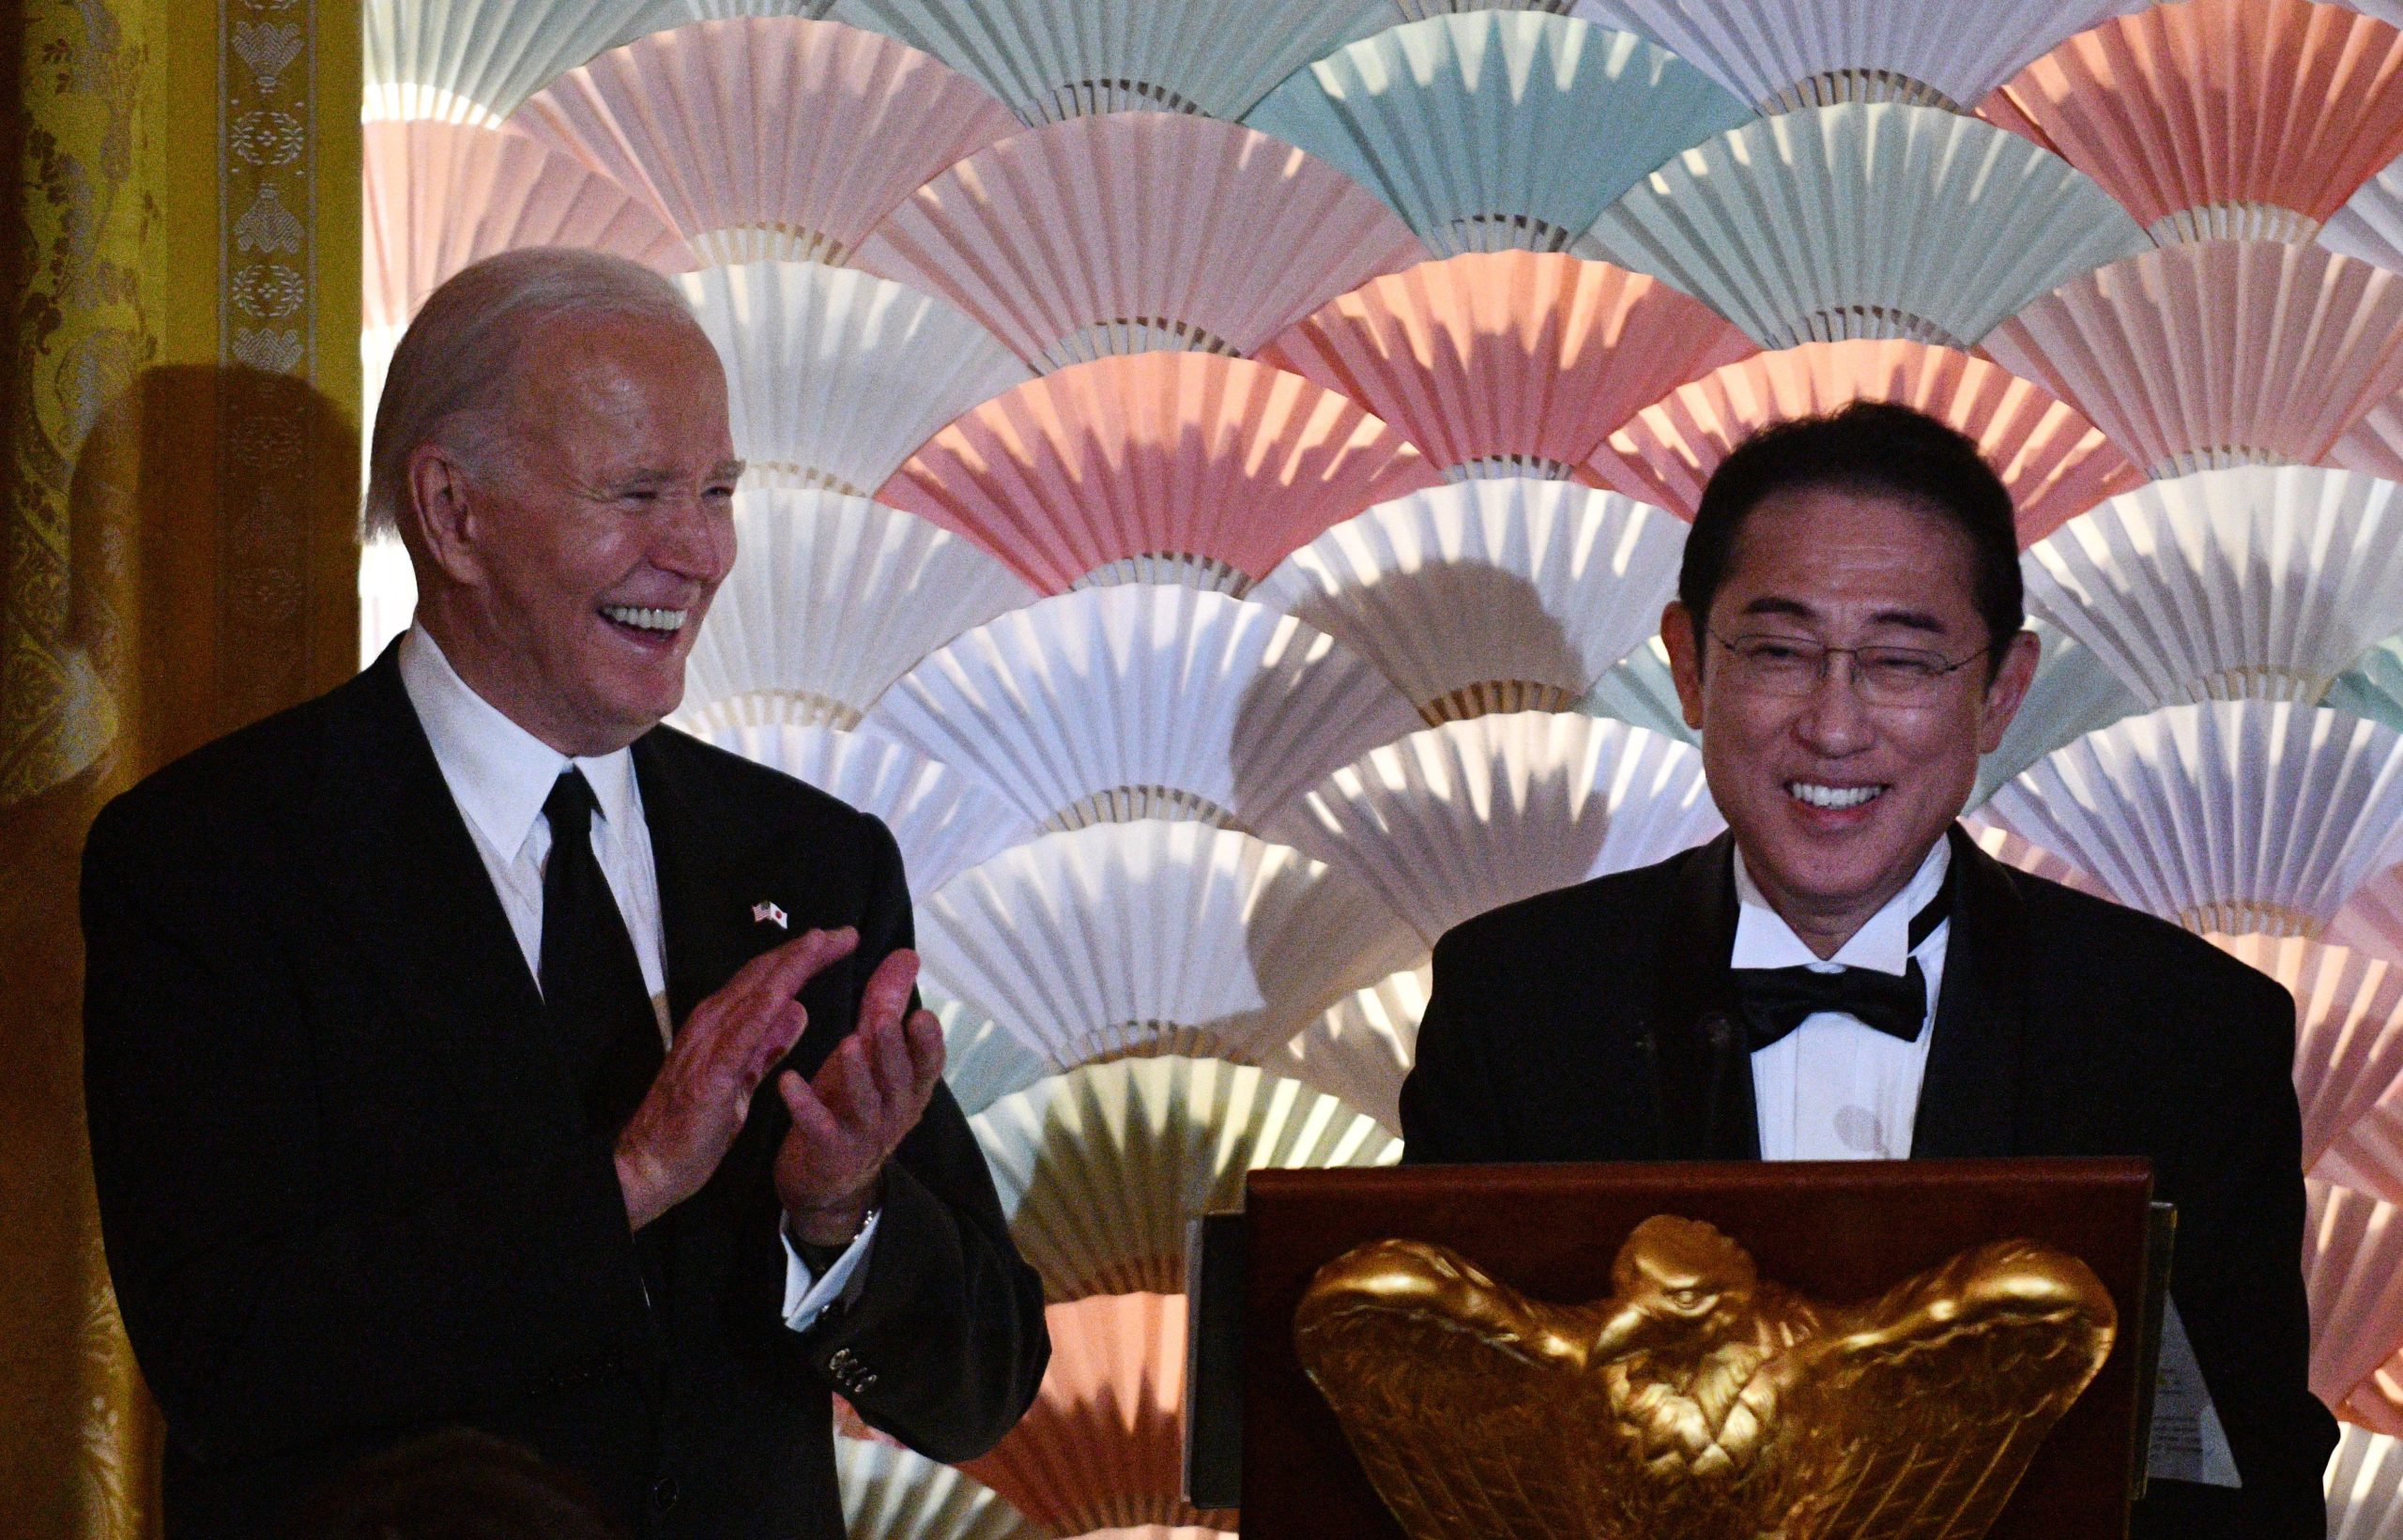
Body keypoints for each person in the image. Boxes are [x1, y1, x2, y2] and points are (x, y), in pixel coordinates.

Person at [81, 247, 1048, 1539]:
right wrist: (634, 1174)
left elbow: (981, 1389)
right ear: (454, 511)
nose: (698, 551)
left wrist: (842, 1215)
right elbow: (234, 1359)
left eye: (716, 490)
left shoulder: (810, 862)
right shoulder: (217, 858)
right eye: (638, 491)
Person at [1400, 402, 2336, 1536]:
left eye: (1899, 661)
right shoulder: (1517, 1002)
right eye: (1780, 651)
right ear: (1689, 666)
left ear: (2000, 691)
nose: (1835, 726)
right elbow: (1440, 1455)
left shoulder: (2183, 1031)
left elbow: (2242, 1487)